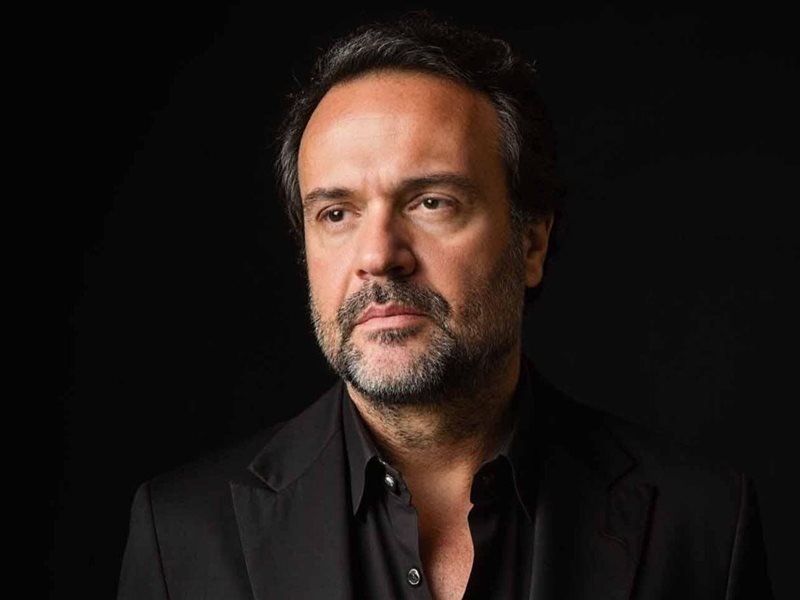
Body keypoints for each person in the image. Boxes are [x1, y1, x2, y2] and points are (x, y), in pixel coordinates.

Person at [117, 13, 774, 599]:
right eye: (337, 213)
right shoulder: (182, 538)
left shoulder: (703, 527)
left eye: (432, 202)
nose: (379, 255)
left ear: (531, 243)